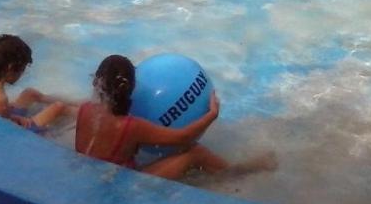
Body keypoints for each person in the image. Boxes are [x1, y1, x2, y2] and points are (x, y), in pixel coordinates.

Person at [75, 54, 276, 180]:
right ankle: (240, 173)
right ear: (132, 87)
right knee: (194, 152)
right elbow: (182, 137)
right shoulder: (130, 126)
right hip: (125, 187)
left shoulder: (85, 109)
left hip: (89, 176)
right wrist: (212, 114)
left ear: (97, 82)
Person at [0, 35, 68, 130]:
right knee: (58, 107)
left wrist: (12, 116)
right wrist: (22, 120)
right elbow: (5, 129)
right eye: (23, 69)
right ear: (10, 68)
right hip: (9, 131)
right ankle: (77, 112)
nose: (22, 74)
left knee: (30, 93)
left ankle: (77, 104)